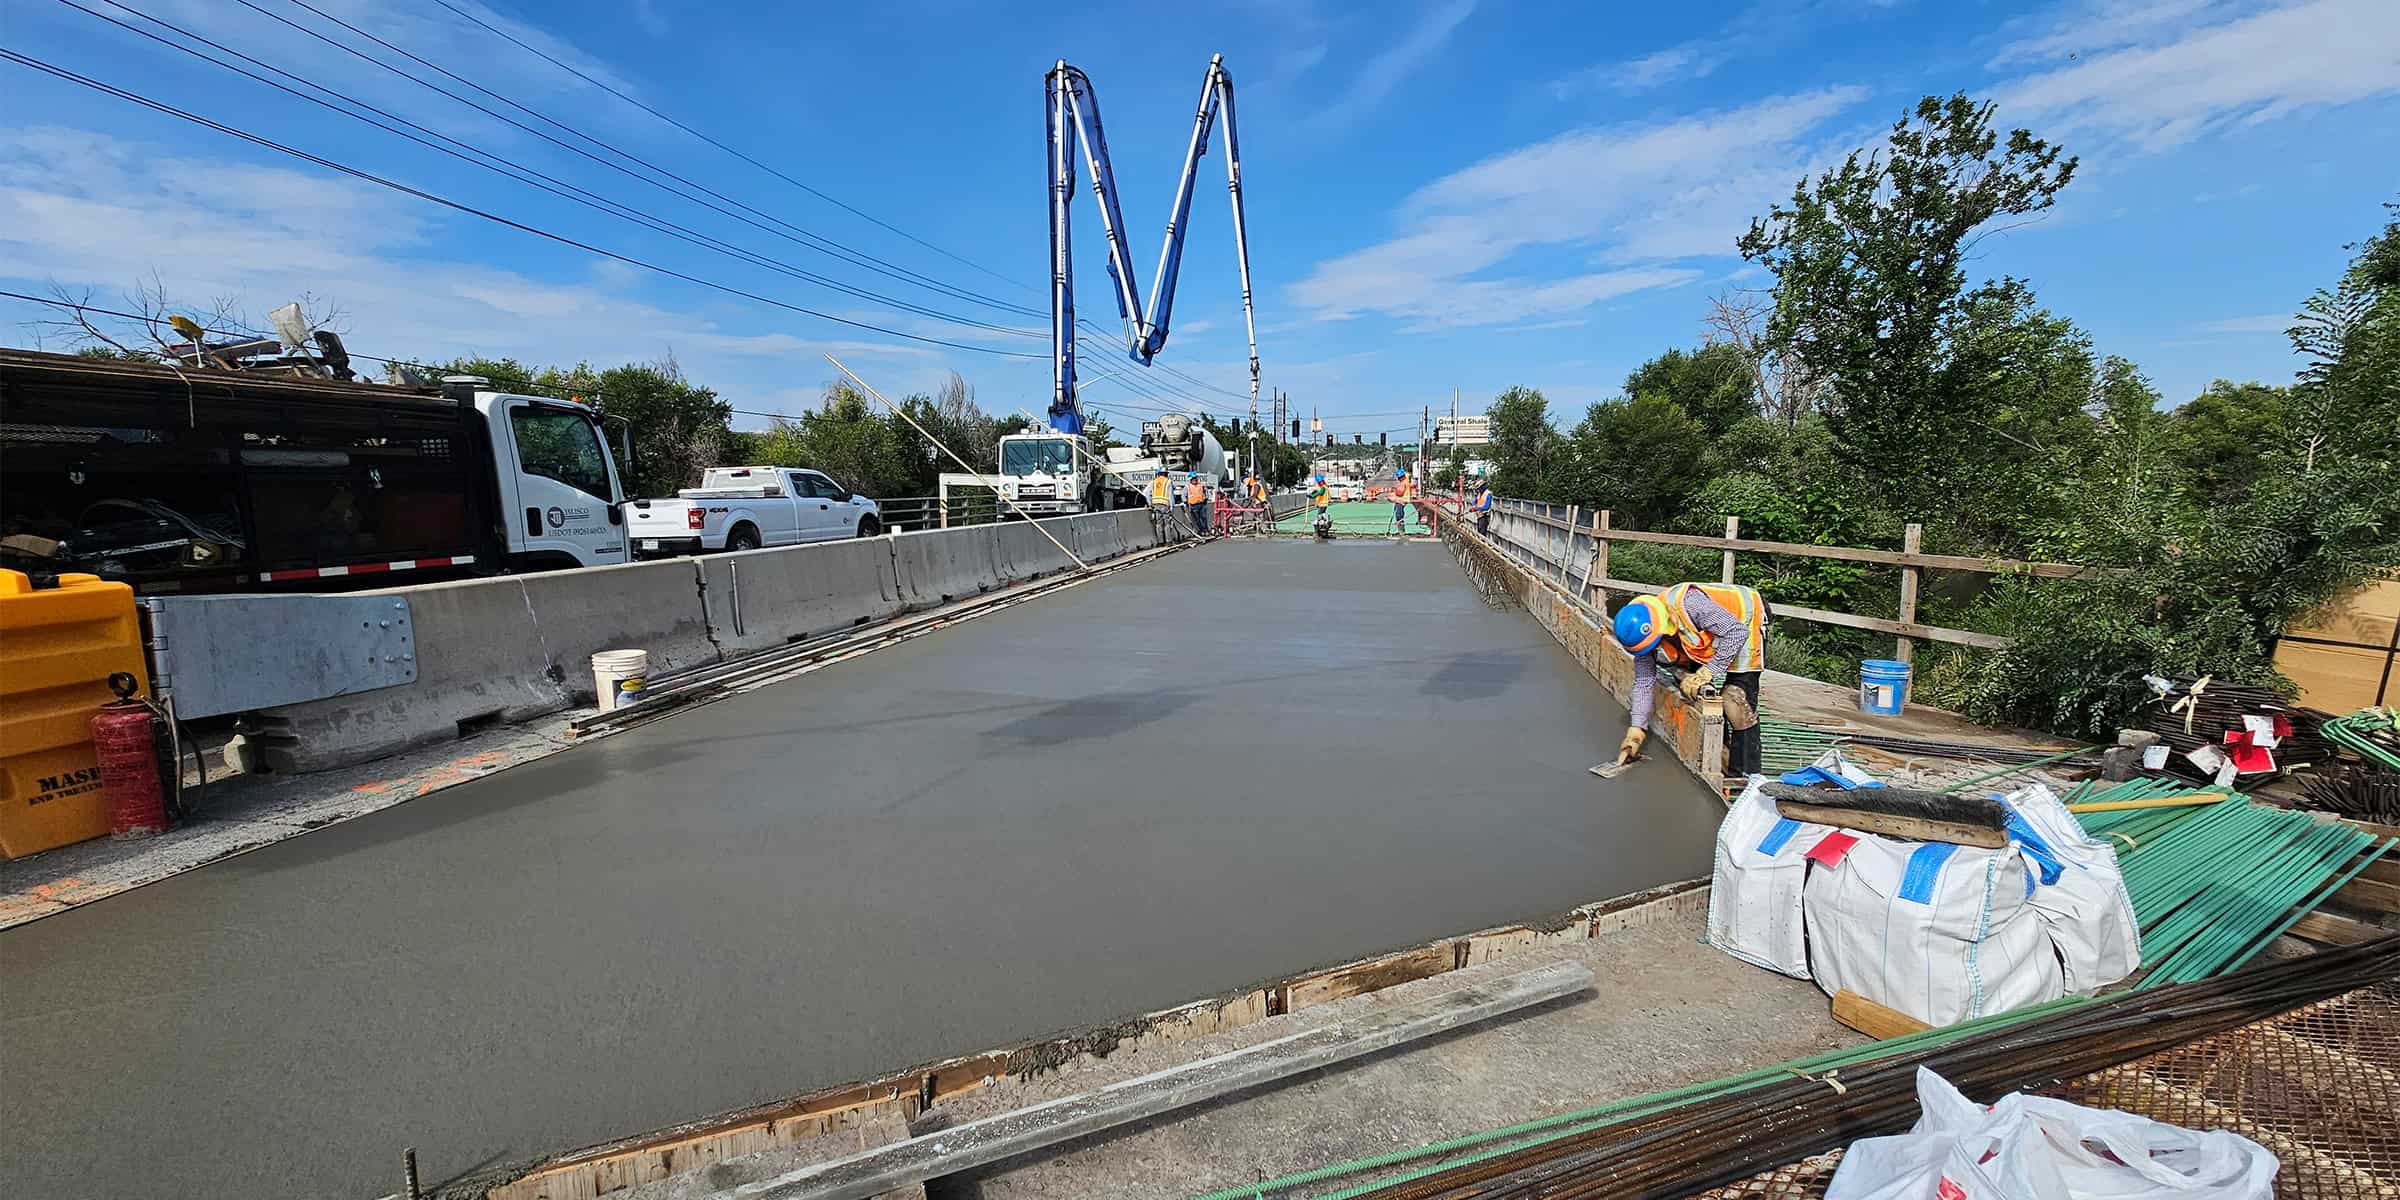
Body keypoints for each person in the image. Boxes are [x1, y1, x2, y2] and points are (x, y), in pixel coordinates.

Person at [1610, 582, 1770, 779]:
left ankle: (1746, 776)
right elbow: (1644, 682)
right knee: (1694, 692)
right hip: (1711, 635)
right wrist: (1636, 730)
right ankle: (1724, 755)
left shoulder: (1690, 605)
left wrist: (1707, 672)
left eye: (1654, 645)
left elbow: (1737, 632)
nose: (1652, 651)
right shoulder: (1645, 634)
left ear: (1662, 628)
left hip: (1746, 619)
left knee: (1735, 699)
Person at [1183, 471, 1210, 536]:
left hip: (1202, 504)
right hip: (1193, 505)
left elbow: (1206, 492)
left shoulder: (1200, 485)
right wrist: (1185, 502)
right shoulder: (1187, 487)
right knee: (1197, 519)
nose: (1195, 480)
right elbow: (1184, 495)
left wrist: (1206, 498)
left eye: (1195, 478)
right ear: (1191, 479)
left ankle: (1205, 530)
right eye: (1193, 478)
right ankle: (1201, 531)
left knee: (1203, 518)